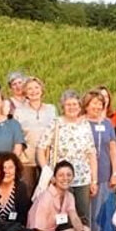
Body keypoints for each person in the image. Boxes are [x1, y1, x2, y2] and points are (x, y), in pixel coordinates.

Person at [36, 90, 98, 220]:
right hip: (61, 179)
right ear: (63, 107)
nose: (72, 107)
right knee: (62, 216)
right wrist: (46, 170)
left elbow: (91, 153)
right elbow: (41, 148)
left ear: (80, 107)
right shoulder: (56, 123)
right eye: (68, 104)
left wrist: (94, 180)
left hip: (82, 178)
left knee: (83, 216)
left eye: (75, 104)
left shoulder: (85, 125)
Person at [84, 89, 116, 231]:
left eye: (100, 103)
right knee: (87, 214)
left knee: (103, 214)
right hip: (86, 176)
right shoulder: (81, 123)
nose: (97, 106)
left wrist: (115, 172)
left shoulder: (107, 124)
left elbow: (113, 150)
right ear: (87, 104)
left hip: (105, 175)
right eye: (94, 103)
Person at [12, 76, 56, 190]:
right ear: (25, 92)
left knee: (46, 196)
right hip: (27, 160)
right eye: (30, 89)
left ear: (42, 90)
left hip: (47, 160)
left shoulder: (51, 109)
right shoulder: (19, 112)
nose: (34, 91)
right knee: (26, 196)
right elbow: (16, 136)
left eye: (36, 88)